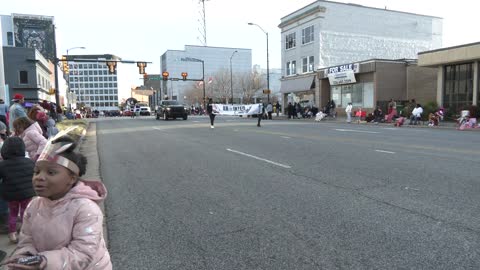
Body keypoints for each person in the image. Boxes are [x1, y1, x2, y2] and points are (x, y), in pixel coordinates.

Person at [4, 134, 112, 269]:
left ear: (72, 178)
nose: (39, 178)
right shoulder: (34, 205)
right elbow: (27, 240)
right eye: (36, 171)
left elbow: (82, 252)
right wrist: (24, 258)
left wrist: (44, 261)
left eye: (51, 172)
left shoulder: (86, 209)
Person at [0, 137, 35, 243]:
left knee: (13, 214)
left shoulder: (2, 165)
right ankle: (25, 233)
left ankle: (12, 234)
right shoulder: (29, 162)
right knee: (25, 212)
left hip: (11, 195)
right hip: (27, 193)